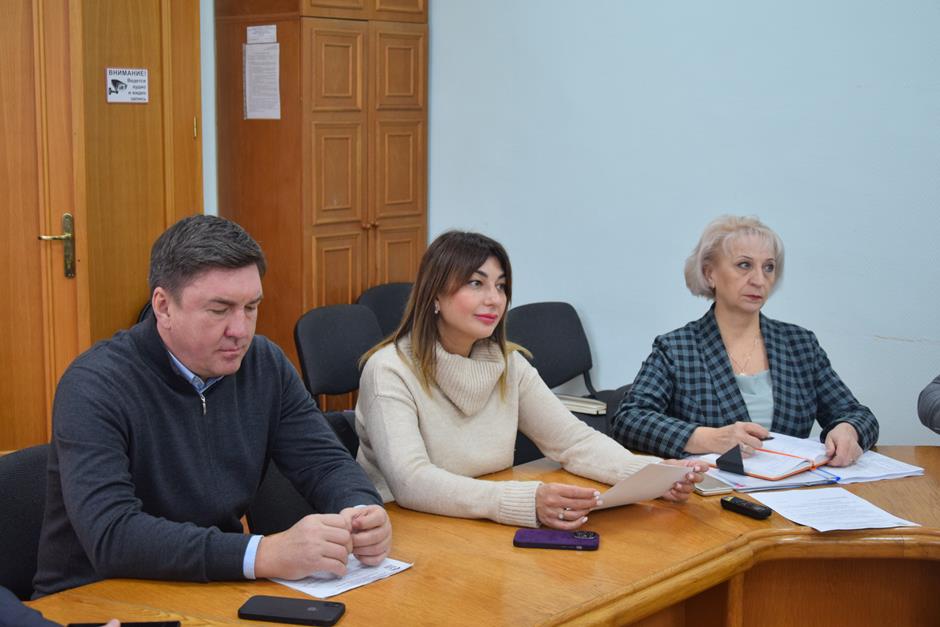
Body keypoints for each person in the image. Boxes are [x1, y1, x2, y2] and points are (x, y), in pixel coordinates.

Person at [33, 215, 391, 597]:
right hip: (94, 599)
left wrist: (361, 512)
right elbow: (112, 534)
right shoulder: (95, 384)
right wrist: (262, 553)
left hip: (209, 587)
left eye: (251, 307)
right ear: (163, 307)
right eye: (220, 310)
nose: (240, 330)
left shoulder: (264, 364)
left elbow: (324, 462)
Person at [354, 231, 704, 530]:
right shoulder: (389, 370)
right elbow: (411, 481)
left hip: (484, 521)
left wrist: (649, 473)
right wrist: (524, 500)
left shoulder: (508, 363)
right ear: (434, 295)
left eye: (501, 286)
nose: (494, 299)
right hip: (409, 527)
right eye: (476, 283)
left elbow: (573, 441)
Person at [612, 215, 879, 464]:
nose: (759, 280)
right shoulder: (676, 348)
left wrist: (849, 429)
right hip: (711, 492)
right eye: (744, 265)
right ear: (709, 273)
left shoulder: (800, 344)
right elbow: (629, 420)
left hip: (792, 488)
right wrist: (708, 438)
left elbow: (857, 414)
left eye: (769, 267)